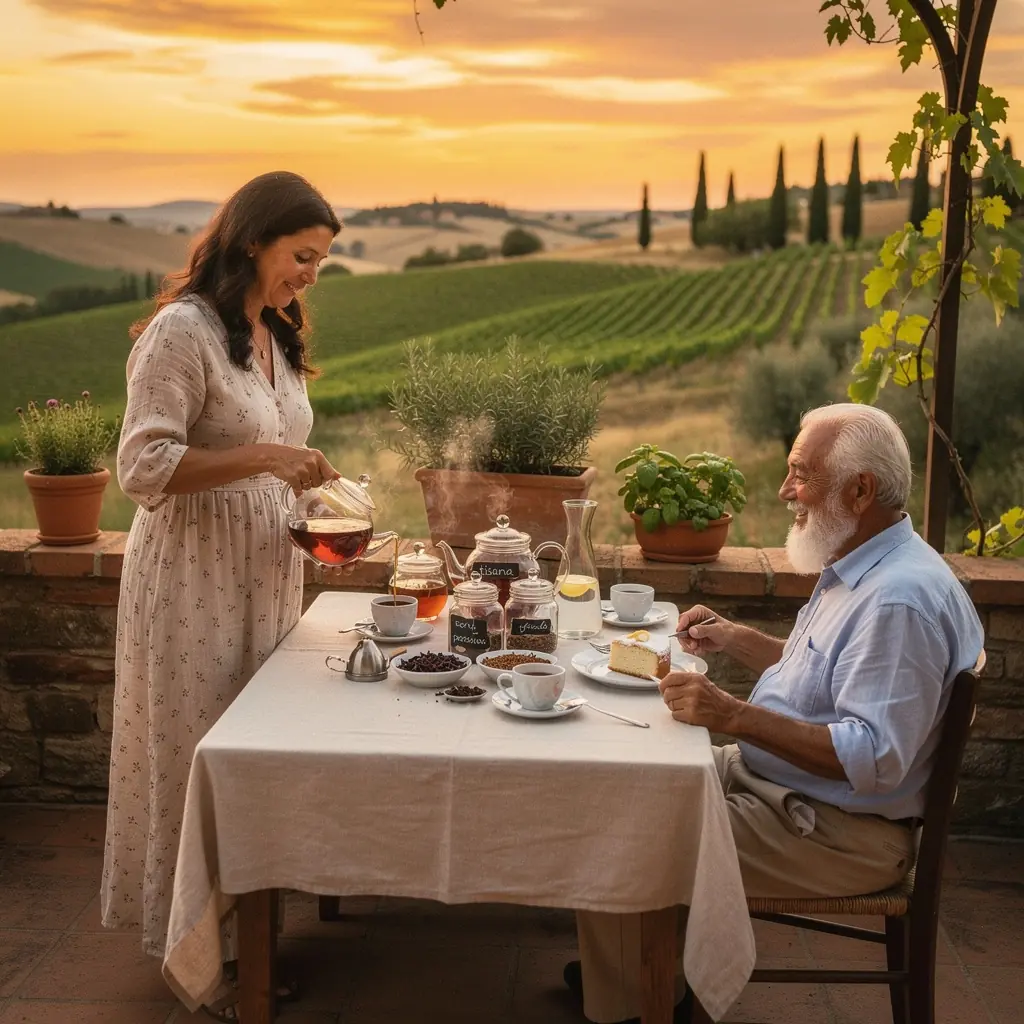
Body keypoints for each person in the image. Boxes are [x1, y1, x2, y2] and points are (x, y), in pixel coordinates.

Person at [567, 403, 984, 1024]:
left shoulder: (900, 601)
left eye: (801, 473)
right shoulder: (871, 562)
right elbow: (827, 677)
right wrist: (736, 638)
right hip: (784, 789)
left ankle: (635, 1002)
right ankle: (638, 975)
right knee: (624, 777)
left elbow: (872, 757)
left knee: (624, 832)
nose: (787, 489)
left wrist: (732, 716)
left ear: (860, 489)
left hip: (837, 833)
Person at [101, 171, 342, 1020]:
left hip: (264, 575)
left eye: (320, 262)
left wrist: (321, 510)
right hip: (192, 582)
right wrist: (270, 463)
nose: (310, 275)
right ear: (252, 241)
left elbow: (277, 452)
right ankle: (205, 964)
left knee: (255, 761)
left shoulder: (272, 330)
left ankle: (248, 943)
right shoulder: (181, 332)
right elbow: (144, 468)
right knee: (198, 757)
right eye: (301, 256)